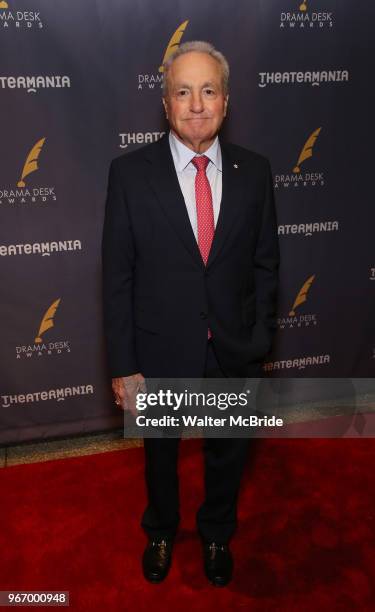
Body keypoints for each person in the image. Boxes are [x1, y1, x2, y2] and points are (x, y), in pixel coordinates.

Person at [102, 41, 279, 586]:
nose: (196, 104)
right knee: (160, 455)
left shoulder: (256, 171)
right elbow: (117, 277)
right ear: (166, 104)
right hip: (158, 349)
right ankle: (160, 529)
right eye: (183, 91)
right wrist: (125, 363)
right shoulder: (129, 174)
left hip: (233, 348)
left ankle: (218, 533)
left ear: (226, 102)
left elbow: (266, 264)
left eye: (208, 91)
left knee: (228, 454)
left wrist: (259, 338)